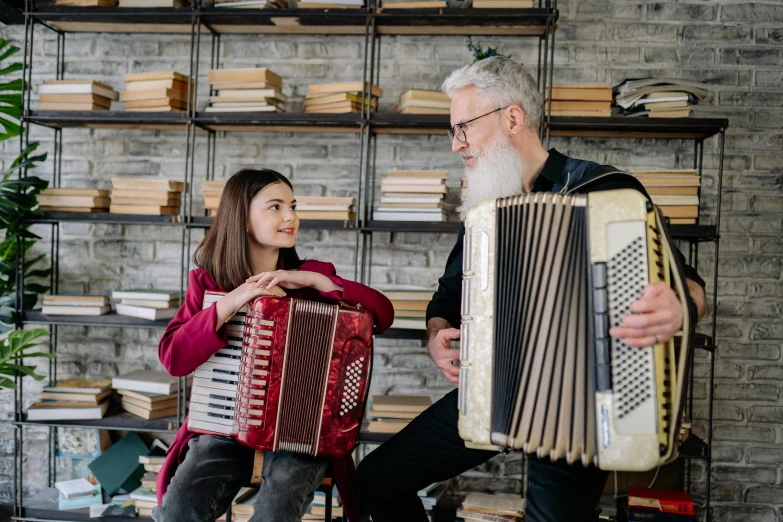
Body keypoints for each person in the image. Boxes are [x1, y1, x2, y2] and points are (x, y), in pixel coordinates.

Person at [357, 56, 707, 522]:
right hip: (489, 389)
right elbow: (445, 301)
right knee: (374, 482)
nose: (457, 145)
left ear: (513, 118)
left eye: (464, 127)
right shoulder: (485, 208)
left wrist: (679, 308)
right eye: (453, 131)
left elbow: (691, 287)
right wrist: (437, 336)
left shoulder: (606, 191)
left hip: (576, 399)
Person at [153, 168, 394, 522]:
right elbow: (174, 358)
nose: (290, 217)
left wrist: (313, 279)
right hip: (224, 426)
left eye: (293, 206)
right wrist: (233, 300)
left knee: (275, 511)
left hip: (300, 434)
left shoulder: (313, 277)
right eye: (275, 206)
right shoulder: (208, 282)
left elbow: (383, 313)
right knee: (177, 511)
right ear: (243, 217)